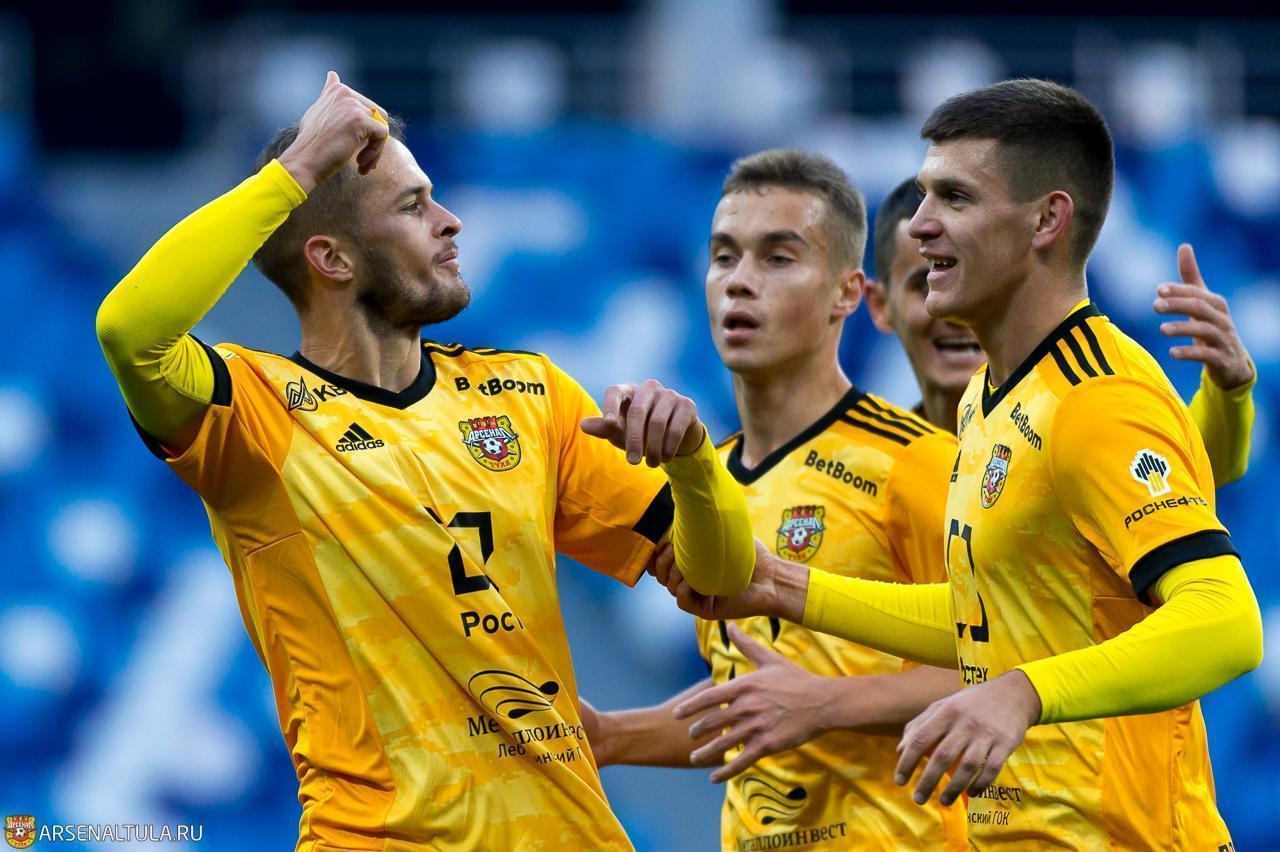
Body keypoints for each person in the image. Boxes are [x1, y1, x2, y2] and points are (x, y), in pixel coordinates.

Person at [94, 72, 755, 851]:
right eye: (413, 207)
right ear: (332, 259)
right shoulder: (255, 417)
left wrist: (694, 467)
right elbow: (130, 332)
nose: (450, 221)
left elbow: (721, 577)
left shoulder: (529, 394)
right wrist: (299, 168)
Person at [652, 79, 1263, 849]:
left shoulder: (1095, 398)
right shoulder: (988, 395)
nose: (920, 223)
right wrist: (787, 588)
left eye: (956, 198)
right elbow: (991, 618)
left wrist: (1024, 693)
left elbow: (1227, 622)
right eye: (924, 196)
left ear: (1046, 220)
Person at [584, 150, 967, 850]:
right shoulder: (707, 487)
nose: (740, 281)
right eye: (724, 257)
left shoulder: (916, 464)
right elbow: (755, 698)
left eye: (778, 258)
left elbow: (1006, 661)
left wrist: (826, 704)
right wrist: (611, 736)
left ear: (847, 293)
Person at [864, 176, 1255, 480]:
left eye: (973, 277)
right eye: (925, 284)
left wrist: (1228, 391)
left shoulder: (1073, 425)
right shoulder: (859, 475)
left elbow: (1187, 469)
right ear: (881, 306)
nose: (954, 310)